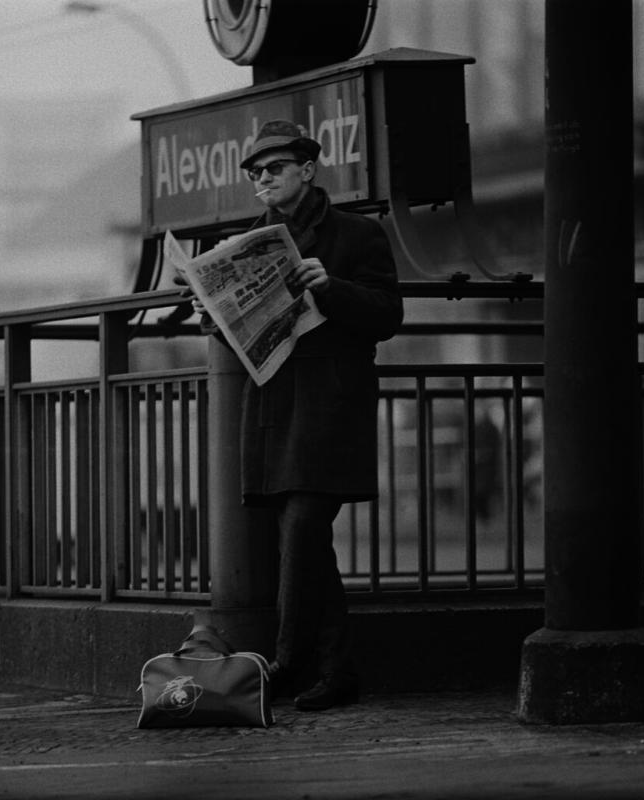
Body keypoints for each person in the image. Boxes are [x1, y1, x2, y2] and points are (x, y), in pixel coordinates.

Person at [190, 119, 403, 710]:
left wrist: (330, 288)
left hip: (330, 405)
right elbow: (230, 330)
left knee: (303, 532)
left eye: (274, 169)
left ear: (307, 170)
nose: (262, 179)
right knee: (305, 541)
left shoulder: (357, 235)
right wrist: (212, 308)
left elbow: (388, 313)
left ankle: (288, 662)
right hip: (276, 408)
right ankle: (337, 671)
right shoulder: (247, 243)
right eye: (255, 173)